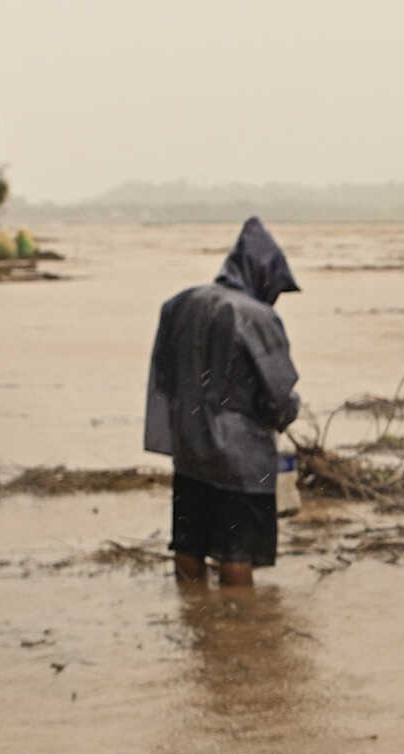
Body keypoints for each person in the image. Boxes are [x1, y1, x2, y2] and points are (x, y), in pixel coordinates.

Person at [144, 218, 301, 588]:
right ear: (263, 275)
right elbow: (278, 392)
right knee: (237, 551)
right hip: (240, 460)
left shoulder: (179, 303)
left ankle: (195, 620)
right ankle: (238, 631)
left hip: (189, 448)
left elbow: (164, 377)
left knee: (189, 543)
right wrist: (284, 416)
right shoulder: (256, 316)